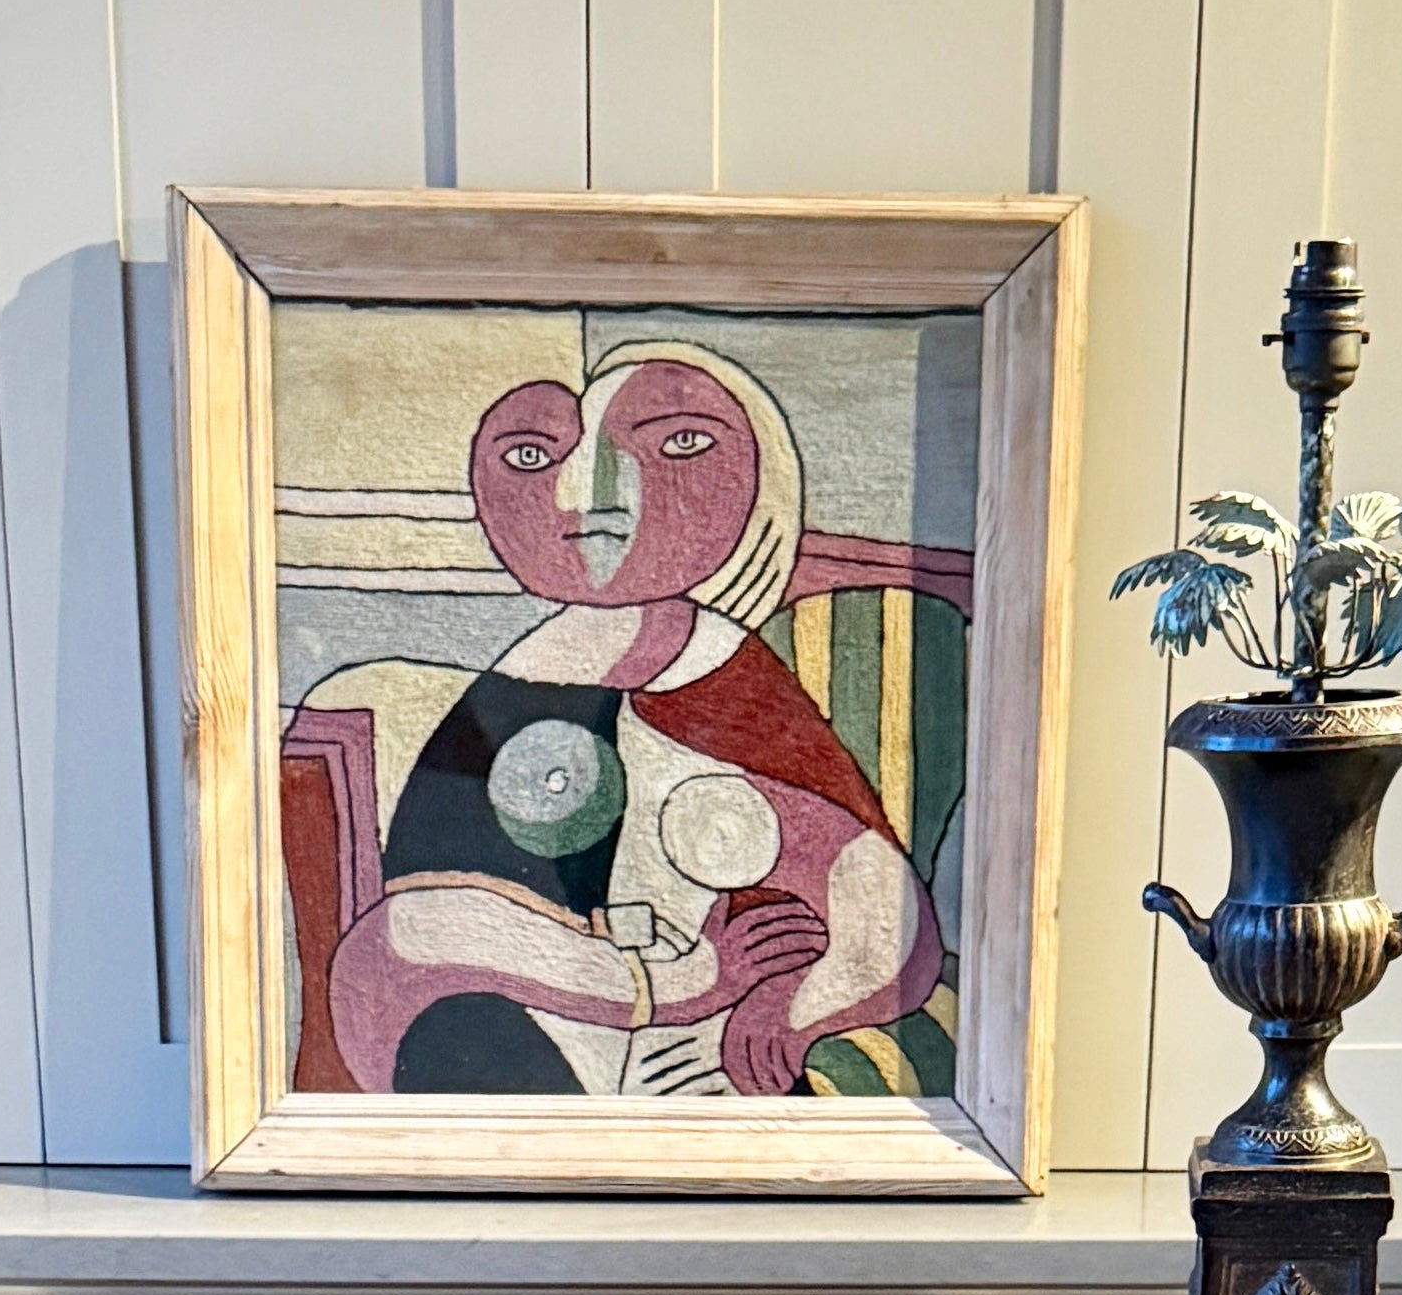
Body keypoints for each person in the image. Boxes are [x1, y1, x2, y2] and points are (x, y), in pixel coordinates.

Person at [286, 343, 945, 1100]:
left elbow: (882, 913)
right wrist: (669, 981)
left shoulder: (723, 680)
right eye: (533, 455)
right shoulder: (519, 685)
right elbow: (406, 941)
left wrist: (789, 1010)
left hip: (692, 1067)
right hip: (508, 1044)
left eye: (681, 444)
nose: (588, 494)